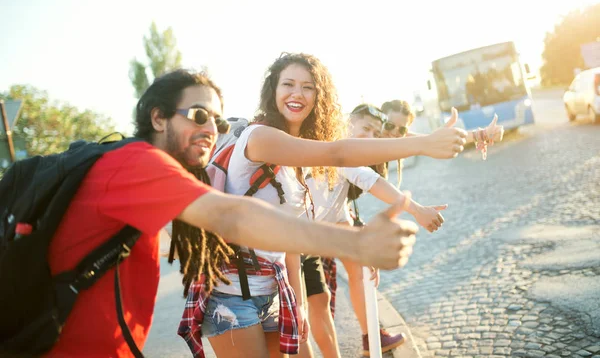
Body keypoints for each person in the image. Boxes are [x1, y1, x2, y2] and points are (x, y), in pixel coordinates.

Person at [43, 69, 421, 358]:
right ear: (158, 119)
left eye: (218, 121)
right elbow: (232, 217)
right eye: (197, 114)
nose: (210, 129)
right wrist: (354, 243)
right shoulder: (136, 164)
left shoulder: (163, 170)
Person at [181, 53, 468, 358]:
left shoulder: (297, 162)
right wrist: (422, 144)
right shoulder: (260, 136)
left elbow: (287, 237)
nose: (297, 94)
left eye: (308, 87)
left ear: (319, 97)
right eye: (288, 84)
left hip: (273, 292)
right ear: (273, 91)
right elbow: (338, 153)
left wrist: (299, 303)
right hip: (230, 295)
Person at [302, 104, 448, 358]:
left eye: (374, 134)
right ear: (346, 123)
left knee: (322, 300)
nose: (370, 138)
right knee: (295, 313)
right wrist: (416, 210)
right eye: (365, 129)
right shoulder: (340, 149)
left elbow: (340, 213)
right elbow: (375, 183)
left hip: (314, 235)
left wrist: (363, 247)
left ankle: (370, 337)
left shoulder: (349, 160)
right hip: (288, 238)